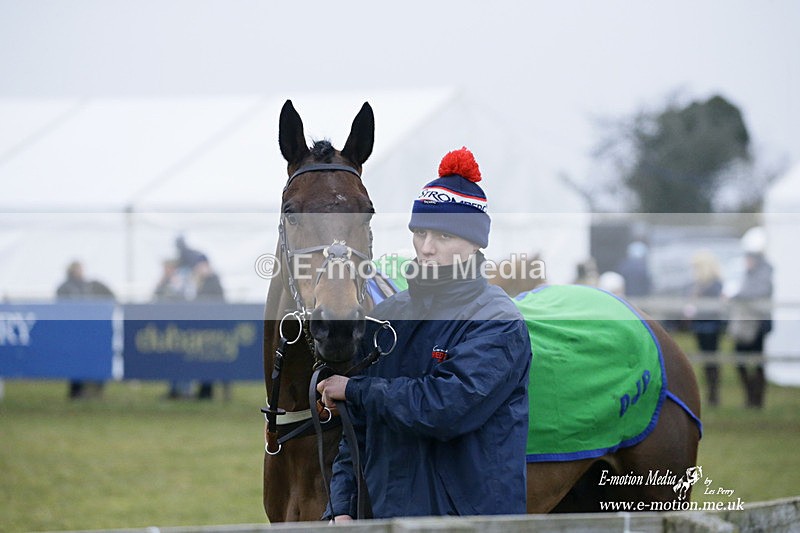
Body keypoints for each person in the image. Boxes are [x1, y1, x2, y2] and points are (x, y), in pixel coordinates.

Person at [317, 147, 532, 520]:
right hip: (383, 521)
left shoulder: (498, 322)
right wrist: (342, 507)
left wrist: (355, 390)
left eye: (444, 235)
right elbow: (356, 434)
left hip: (468, 524)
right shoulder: (386, 317)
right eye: (420, 232)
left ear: (476, 244)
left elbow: (444, 408)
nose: (427, 248)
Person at [728, 227, 773, 409]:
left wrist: (737, 296)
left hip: (758, 324)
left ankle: (756, 399)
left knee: (757, 361)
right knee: (741, 360)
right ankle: (750, 395)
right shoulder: (749, 273)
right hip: (746, 323)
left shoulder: (764, 273)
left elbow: (756, 293)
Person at [56, 261, 114, 399]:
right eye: (77, 269)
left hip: (93, 329)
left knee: (97, 358)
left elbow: (111, 297)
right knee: (76, 360)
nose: (80, 271)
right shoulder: (64, 288)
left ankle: (96, 391)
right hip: (75, 331)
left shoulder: (92, 285)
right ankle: (76, 391)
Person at [684, 250, 725, 407]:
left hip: (710, 326)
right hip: (701, 325)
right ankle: (711, 394)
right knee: (706, 360)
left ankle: (714, 394)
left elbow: (713, 308)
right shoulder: (700, 285)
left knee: (711, 360)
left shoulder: (714, 285)